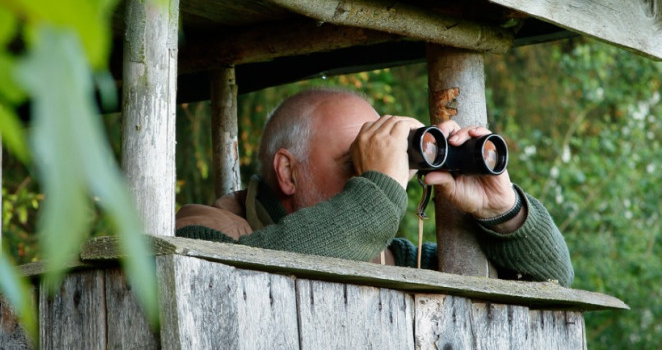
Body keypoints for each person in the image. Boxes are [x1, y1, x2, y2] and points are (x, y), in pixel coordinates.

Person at [176, 88, 574, 286]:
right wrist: (379, 194)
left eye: (381, 160)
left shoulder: (387, 257)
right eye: (357, 161)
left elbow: (550, 280)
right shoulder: (206, 229)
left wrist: (504, 211)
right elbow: (232, 282)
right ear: (288, 172)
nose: (375, 175)